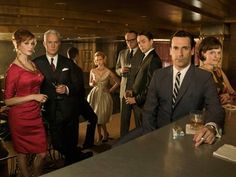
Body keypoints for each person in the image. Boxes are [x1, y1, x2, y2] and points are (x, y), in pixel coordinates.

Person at [116, 30, 225, 147]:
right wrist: (150, 136)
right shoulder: (158, 75)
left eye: (185, 48)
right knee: (116, 147)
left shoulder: (204, 77)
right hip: (155, 130)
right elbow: (149, 111)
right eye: (176, 48)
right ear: (170, 50)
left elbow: (215, 109)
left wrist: (211, 126)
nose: (180, 54)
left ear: (192, 51)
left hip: (186, 136)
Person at [34, 29, 92, 166]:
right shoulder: (36, 63)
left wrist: (66, 89)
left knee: (72, 142)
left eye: (55, 42)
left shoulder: (68, 63)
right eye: (49, 42)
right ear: (44, 43)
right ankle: (78, 157)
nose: (53, 46)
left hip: (70, 110)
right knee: (58, 144)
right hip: (51, 111)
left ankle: (72, 165)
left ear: (59, 43)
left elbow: (78, 85)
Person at [4, 29, 47, 177]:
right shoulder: (13, 70)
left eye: (32, 43)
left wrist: (39, 99)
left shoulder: (32, 64)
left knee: (42, 153)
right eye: (26, 43)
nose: (31, 47)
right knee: (22, 153)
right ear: (17, 44)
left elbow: (35, 84)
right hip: (20, 117)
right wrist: (33, 97)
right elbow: (8, 100)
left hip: (35, 114)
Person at [124, 31, 162, 127]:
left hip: (145, 104)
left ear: (151, 41)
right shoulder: (146, 56)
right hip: (140, 102)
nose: (140, 45)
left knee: (146, 132)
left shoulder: (154, 59)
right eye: (139, 42)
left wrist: (136, 99)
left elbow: (151, 87)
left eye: (143, 41)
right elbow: (141, 79)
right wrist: (132, 91)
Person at [67, 47, 97, 149]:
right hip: (78, 101)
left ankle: (74, 147)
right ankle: (87, 143)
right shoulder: (77, 69)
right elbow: (79, 87)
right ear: (76, 55)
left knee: (74, 124)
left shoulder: (65, 67)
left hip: (69, 101)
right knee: (93, 118)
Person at [116, 30, 144, 137]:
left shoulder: (142, 54)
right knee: (124, 121)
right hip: (123, 91)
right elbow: (116, 68)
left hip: (136, 92)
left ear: (136, 40)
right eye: (127, 40)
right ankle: (122, 142)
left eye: (132, 40)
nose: (129, 43)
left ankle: (140, 143)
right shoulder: (122, 53)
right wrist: (120, 71)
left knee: (139, 120)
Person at [87, 51, 120, 143]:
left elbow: (118, 82)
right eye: (97, 60)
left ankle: (104, 133)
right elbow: (90, 83)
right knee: (96, 116)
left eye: (100, 59)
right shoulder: (92, 71)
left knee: (102, 116)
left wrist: (110, 90)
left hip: (104, 95)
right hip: (95, 95)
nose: (99, 62)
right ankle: (100, 134)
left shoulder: (108, 71)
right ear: (95, 61)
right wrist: (92, 83)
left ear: (104, 60)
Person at [198, 36, 236, 104]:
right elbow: (200, 100)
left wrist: (228, 96)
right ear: (203, 53)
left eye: (219, 53)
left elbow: (233, 93)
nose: (216, 56)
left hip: (222, 111)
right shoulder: (199, 73)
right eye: (212, 52)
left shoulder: (219, 71)